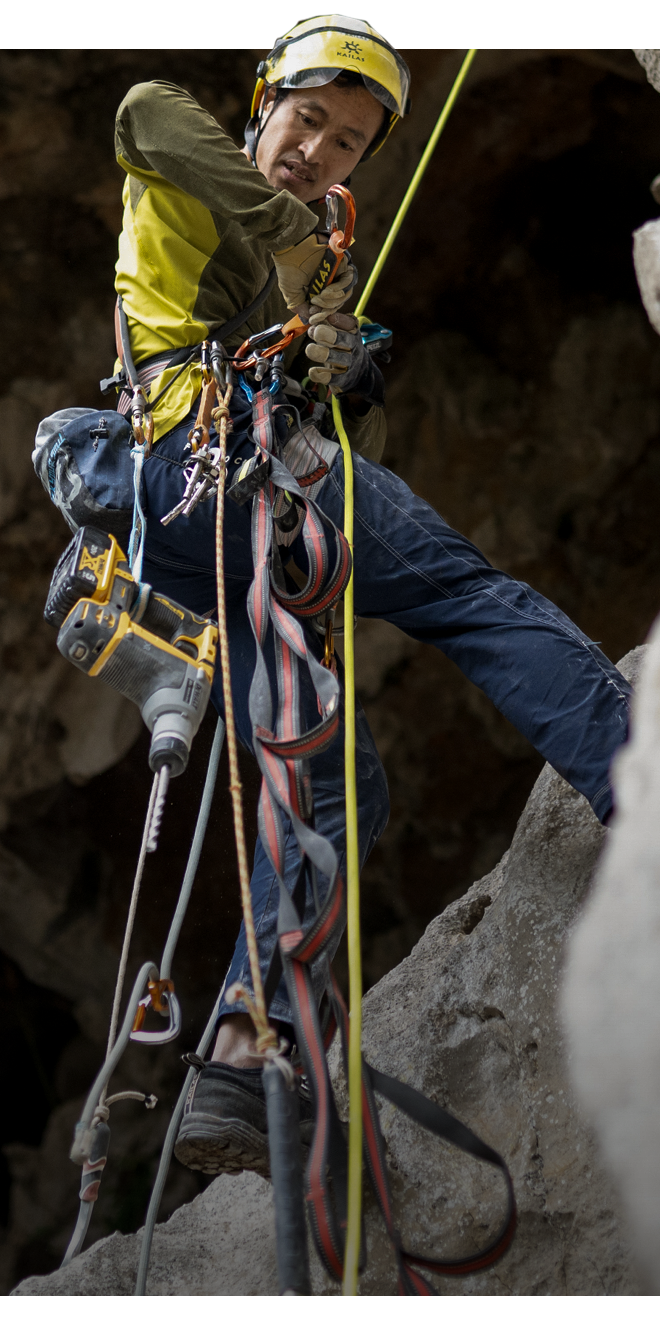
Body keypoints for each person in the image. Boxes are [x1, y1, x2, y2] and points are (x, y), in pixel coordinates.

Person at [108, 14, 632, 1179]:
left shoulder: (299, 284)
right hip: (210, 466)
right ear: (262, 105)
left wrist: (343, 377)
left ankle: (242, 1057)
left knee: (337, 784)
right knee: (471, 598)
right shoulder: (193, 178)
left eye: (346, 143)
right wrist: (296, 244)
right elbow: (146, 109)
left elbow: (357, 466)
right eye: (306, 120)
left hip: (207, 523)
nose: (318, 151)